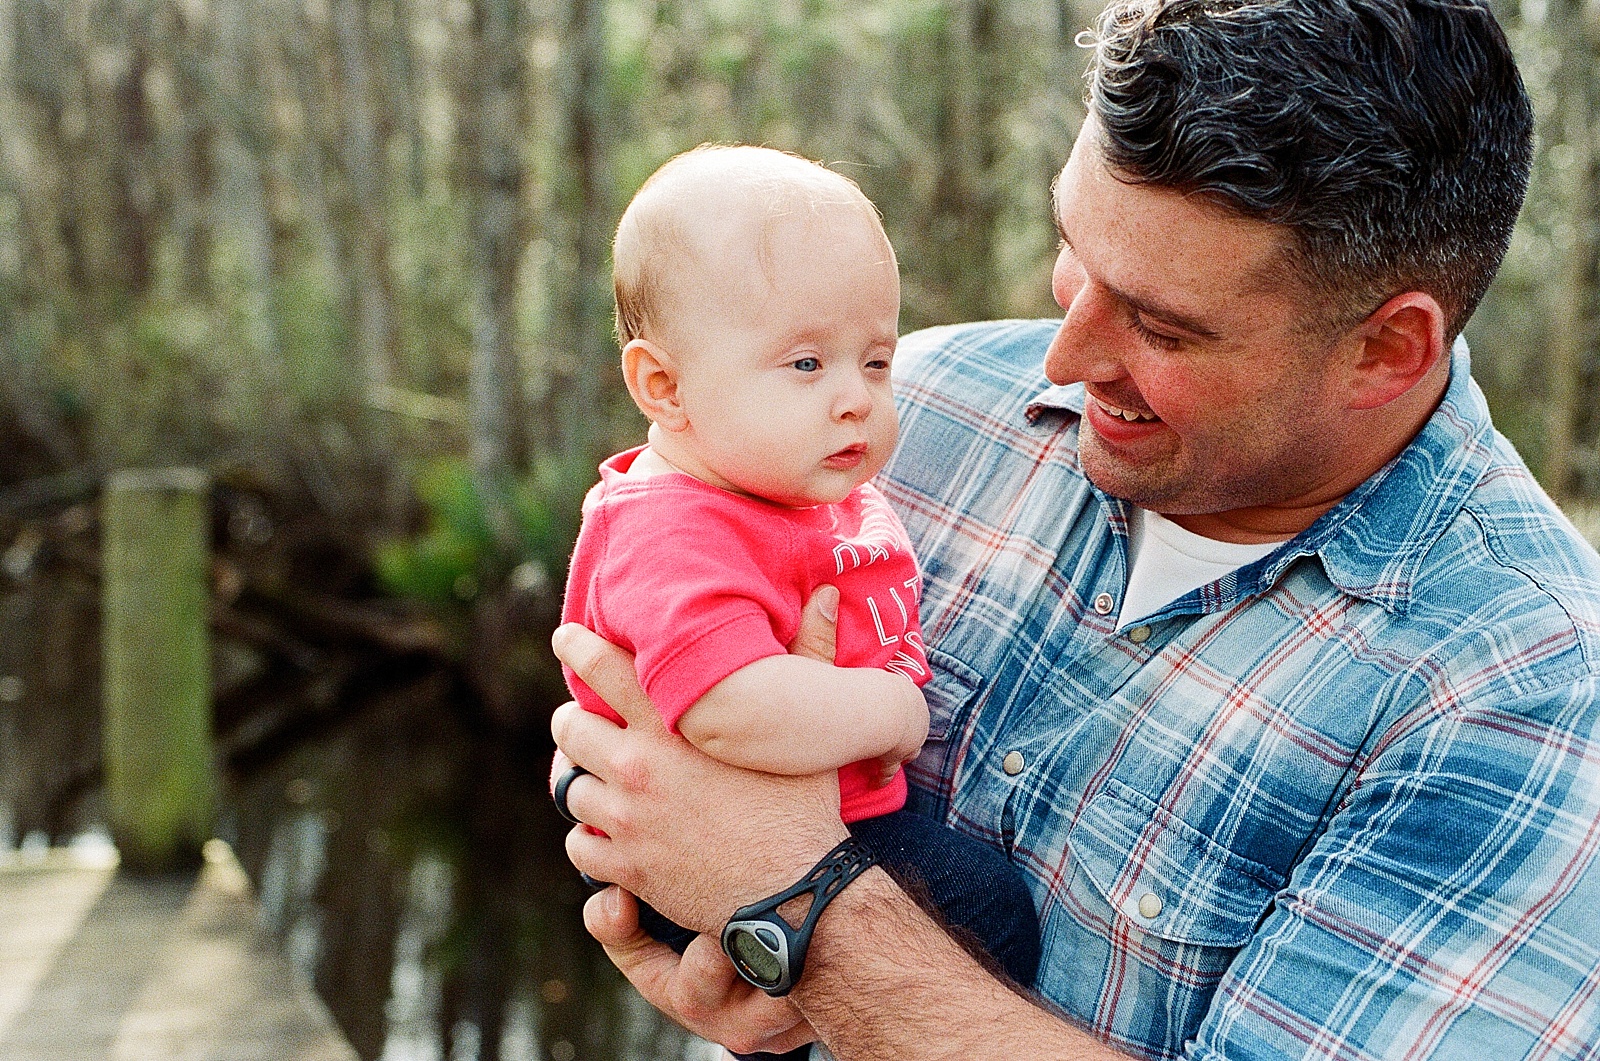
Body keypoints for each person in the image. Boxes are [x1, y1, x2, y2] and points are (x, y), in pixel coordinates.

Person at [551, 1, 1600, 1058]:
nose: (1062, 352)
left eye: (1159, 324)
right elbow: (638, 722)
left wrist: (803, 913)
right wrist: (690, 889)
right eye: (1071, 247)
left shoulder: (1522, 692)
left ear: (1386, 348)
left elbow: (770, 867)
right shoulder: (927, 405)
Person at [556, 144, 1042, 1035]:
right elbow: (726, 706)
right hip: (703, 845)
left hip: (826, 818)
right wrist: (894, 713)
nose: (856, 398)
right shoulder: (673, 526)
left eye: (877, 362)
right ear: (664, 387)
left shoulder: (788, 482)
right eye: (807, 366)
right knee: (986, 906)